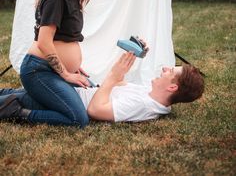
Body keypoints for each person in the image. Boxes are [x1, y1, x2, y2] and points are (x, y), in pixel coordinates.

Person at [16, 0, 103, 127]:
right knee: (78, 118)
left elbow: (64, 38)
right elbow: (44, 42)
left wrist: (73, 67)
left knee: (93, 92)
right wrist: (65, 74)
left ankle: (14, 97)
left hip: (54, 69)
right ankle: (14, 109)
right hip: (39, 70)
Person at [0, 53, 205, 123]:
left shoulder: (144, 105)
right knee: (16, 94)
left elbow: (96, 110)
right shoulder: (150, 95)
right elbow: (117, 86)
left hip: (68, 101)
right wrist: (121, 69)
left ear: (171, 87)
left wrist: (113, 78)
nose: (167, 68)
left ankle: (14, 110)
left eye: (171, 71)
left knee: (19, 99)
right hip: (77, 91)